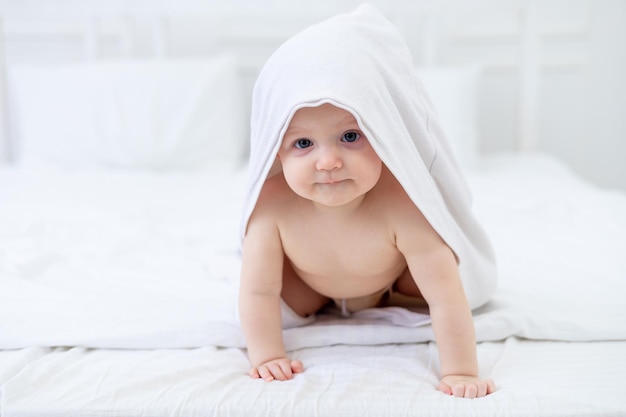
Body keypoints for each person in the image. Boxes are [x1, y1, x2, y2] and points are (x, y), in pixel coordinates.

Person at [238, 5, 497, 399]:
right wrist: (268, 354)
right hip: (309, 285)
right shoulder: (272, 207)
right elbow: (257, 293)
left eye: (350, 137)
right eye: (303, 143)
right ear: (276, 152)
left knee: (436, 275)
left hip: (389, 282)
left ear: (383, 133)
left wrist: (461, 371)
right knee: (278, 290)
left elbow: (446, 298)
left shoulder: (401, 202)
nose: (328, 162)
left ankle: (394, 289)